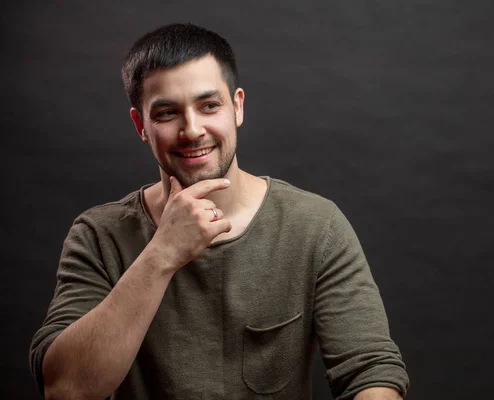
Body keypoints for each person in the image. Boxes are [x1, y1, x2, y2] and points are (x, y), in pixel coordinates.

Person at [29, 23, 409, 400]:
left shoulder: (315, 226)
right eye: (166, 113)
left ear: (237, 106)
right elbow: (65, 389)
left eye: (209, 105)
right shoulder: (98, 235)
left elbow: (370, 369)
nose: (192, 130)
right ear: (140, 125)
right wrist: (163, 253)